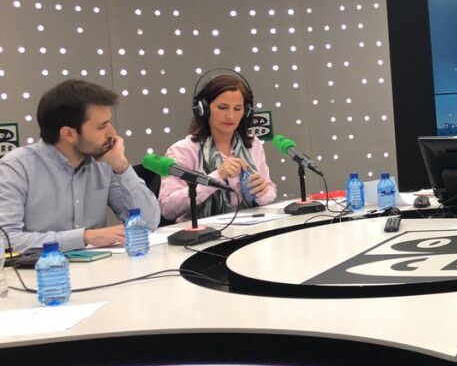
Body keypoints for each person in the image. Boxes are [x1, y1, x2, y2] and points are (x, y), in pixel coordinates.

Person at [0, 80, 160, 252]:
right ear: (69, 134)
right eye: (102, 126)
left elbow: (149, 223)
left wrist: (121, 166)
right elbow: (5, 240)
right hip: (42, 267)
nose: (112, 133)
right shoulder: (16, 167)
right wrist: (84, 237)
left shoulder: (104, 162)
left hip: (102, 266)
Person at [159, 72, 276, 222]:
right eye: (223, 107)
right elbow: (167, 208)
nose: (231, 116)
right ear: (204, 109)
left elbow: (270, 190)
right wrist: (216, 177)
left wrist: (262, 193)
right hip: (203, 233)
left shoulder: (253, 144)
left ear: (246, 112)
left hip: (250, 226)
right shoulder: (183, 150)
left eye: (237, 109)